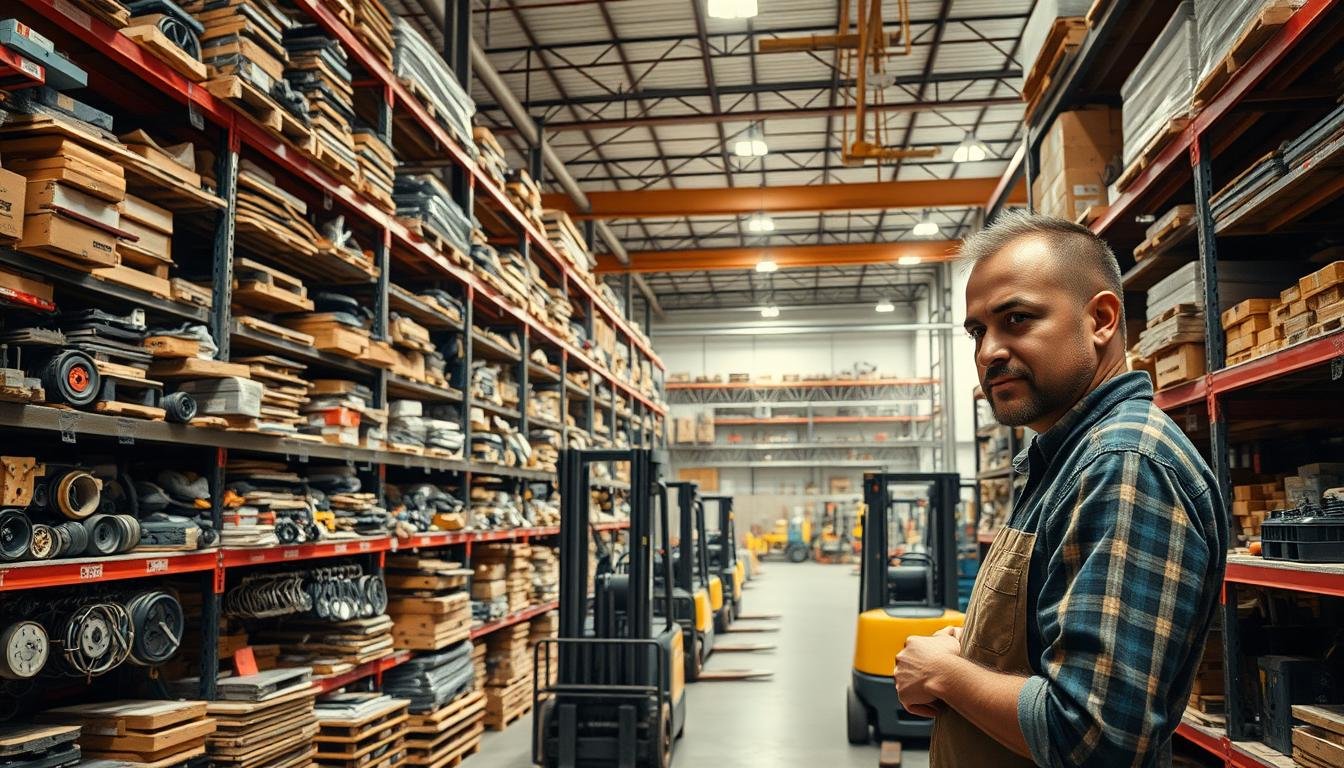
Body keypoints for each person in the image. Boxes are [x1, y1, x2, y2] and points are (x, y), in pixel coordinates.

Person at [894, 211, 1227, 767]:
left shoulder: (1123, 465)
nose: (987, 352)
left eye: (1017, 319)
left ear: (1100, 318)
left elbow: (1093, 736)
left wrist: (946, 676)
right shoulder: (1063, 458)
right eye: (978, 331)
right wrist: (974, 652)